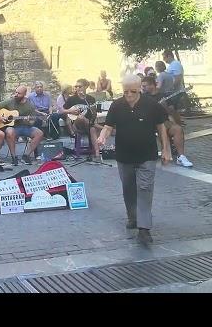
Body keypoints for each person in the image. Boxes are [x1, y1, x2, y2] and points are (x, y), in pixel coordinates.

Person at [97, 74, 172, 246]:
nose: (129, 95)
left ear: (139, 89)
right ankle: (133, 216)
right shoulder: (117, 105)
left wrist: (166, 149)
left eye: (132, 91)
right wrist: (102, 136)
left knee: (145, 188)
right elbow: (108, 126)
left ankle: (144, 229)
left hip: (147, 155)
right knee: (128, 188)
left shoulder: (152, 105)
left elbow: (161, 127)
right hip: (124, 156)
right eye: (125, 92)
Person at [141, 76, 193, 168]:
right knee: (161, 128)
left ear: (152, 85)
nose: (143, 88)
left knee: (177, 129)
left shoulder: (164, 96)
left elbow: (172, 112)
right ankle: (164, 151)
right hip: (148, 123)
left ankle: (181, 157)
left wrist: (165, 106)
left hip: (163, 121)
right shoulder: (142, 97)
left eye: (145, 86)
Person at [0, 85, 45, 166]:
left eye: (19, 93)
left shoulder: (30, 105)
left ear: (24, 94)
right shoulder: (11, 101)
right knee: (9, 131)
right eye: (16, 92)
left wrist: (29, 121)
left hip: (25, 127)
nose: (16, 95)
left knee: (39, 133)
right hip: (13, 127)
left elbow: (32, 122)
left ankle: (26, 156)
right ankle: (14, 157)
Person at [64, 79, 100, 159]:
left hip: (88, 125)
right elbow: (63, 111)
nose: (77, 88)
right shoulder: (71, 99)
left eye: (79, 86)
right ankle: (101, 128)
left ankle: (97, 154)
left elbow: (94, 115)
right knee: (81, 118)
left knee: (92, 129)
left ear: (86, 87)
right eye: (76, 86)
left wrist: (93, 112)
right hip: (76, 125)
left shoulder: (90, 99)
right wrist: (71, 111)